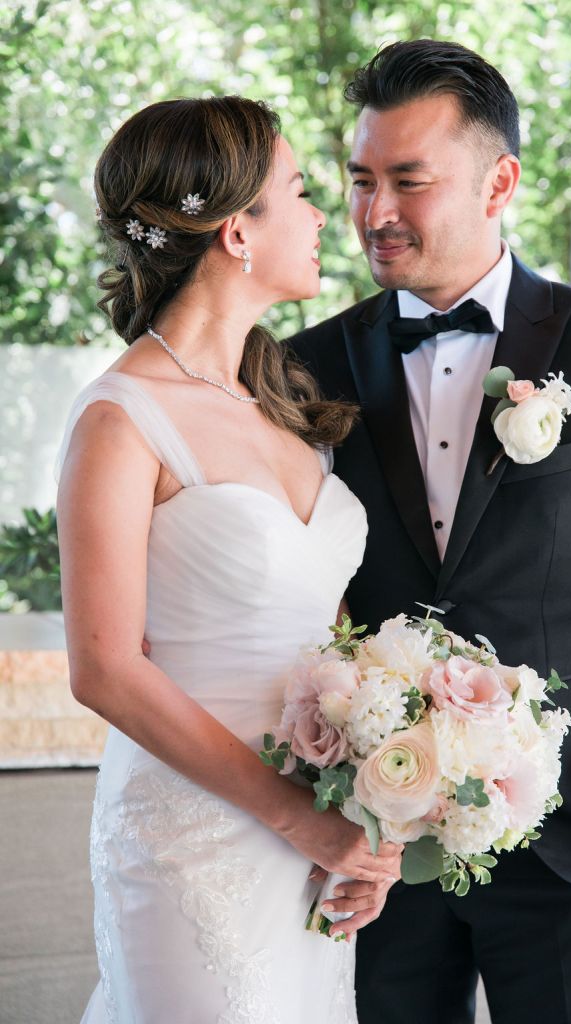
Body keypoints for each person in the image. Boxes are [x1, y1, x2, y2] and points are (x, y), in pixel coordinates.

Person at [287, 39, 571, 1024]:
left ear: (498, 182)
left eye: (407, 181)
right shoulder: (305, 366)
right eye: (360, 180)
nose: (374, 211)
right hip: (376, 835)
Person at [56, 95, 402, 1024]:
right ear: (237, 231)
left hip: (313, 834)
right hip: (192, 838)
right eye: (301, 190)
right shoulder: (120, 418)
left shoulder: (284, 406)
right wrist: (296, 816)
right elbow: (104, 669)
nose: (326, 215)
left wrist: (366, 813)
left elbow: (323, 631)